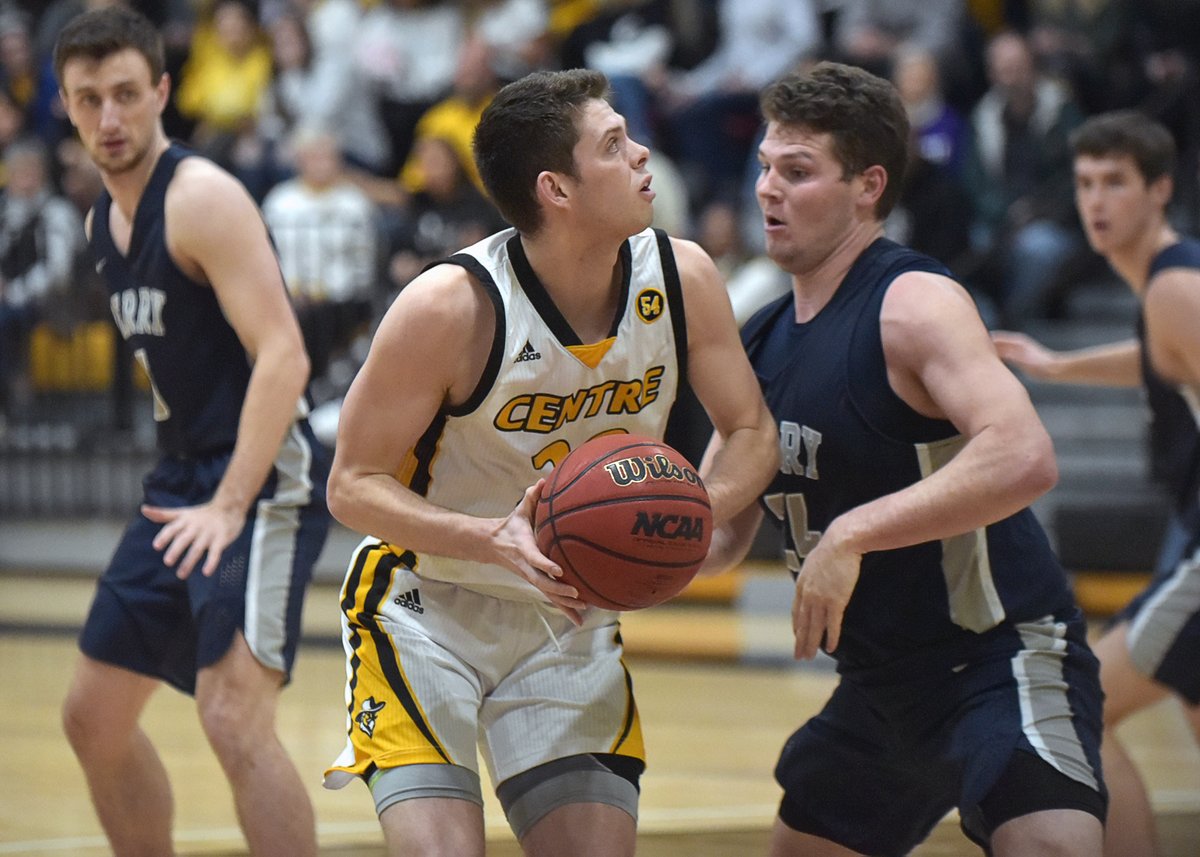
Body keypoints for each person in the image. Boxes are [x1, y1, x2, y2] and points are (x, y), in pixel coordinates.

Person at [321, 67, 778, 857]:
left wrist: (689, 510)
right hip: (429, 610)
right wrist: (487, 537)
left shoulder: (682, 276)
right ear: (556, 189)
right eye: (614, 144)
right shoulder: (450, 306)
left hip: (569, 620)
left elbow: (752, 431)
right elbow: (351, 485)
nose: (642, 154)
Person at [702, 61, 1107, 856]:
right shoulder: (757, 341)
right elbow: (716, 531)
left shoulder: (914, 303)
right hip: (878, 686)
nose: (767, 190)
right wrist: (601, 565)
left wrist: (852, 533)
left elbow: (1024, 454)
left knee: (1054, 845)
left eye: (797, 172)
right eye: (765, 168)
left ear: (868, 186)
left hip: (997, 655)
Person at [53, 8, 331, 857]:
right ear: (65, 106)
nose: (109, 117)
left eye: (126, 94)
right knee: (93, 716)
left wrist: (230, 503)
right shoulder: (102, 224)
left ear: (162, 92)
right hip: (181, 480)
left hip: (262, 474)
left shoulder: (201, 198)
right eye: (89, 99)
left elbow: (285, 356)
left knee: (232, 715)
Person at [993, 110, 1200, 857]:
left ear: (1160, 190)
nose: (1096, 201)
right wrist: (1057, 365)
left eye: (1115, 182)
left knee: (1080, 700)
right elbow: (1160, 358)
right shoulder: (1167, 290)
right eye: (1084, 183)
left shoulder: (1175, 287)